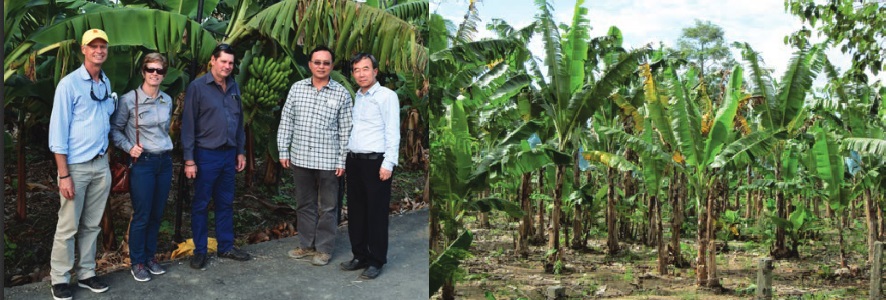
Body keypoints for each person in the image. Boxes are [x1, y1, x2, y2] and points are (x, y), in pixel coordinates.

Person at [47, 28, 114, 300]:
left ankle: (87, 273)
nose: (99, 50)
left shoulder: (105, 82)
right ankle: (60, 278)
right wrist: (64, 175)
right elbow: (58, 134)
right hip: (76, 167)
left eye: (103, 46)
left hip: (101, 165)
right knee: (68, 226)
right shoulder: (69, 84)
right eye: (93, 46)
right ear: (83, 50)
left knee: (92, 225)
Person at [277, 45, 353, 266]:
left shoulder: (340, 93)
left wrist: (342, 160)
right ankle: (306, 245)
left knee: (328, 206)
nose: (321, 66)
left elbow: (346, 129)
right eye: (317, 62)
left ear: (332, 66)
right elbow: (287, 120)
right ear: (310, 64)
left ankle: (324, 249)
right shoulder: (297, 88)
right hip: (300, 157)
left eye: (326, 63)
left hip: (329, 160)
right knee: (304, 203)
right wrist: (284, 149)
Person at [181, 43, 251, 270]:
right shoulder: (198, 87)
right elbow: (188, 125)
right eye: (223, 61)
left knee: (225, 202)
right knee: (201, 204)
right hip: (205, 155)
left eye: (231, 63)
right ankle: (200, 251)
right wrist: (189, 160)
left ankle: (226, 246)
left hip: (228, 155)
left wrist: (240, 151)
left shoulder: (234, 87)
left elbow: (239, 122)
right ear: (213, 60)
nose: (227, 66)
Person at [110, 53, 173, 282]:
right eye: (150, 69)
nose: (155, 74)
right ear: (143, 72)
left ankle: (150, 257)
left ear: (164, 74)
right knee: (142, 214)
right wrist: (129, 147)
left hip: (164, 162)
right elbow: (114, 129)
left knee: (157, 214)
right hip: (142, 163)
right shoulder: (129, 100)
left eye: (159, 70)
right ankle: (137, 261)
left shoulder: (167, 99)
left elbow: (165, 131)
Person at [339, 53, 400, 280]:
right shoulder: (359, 96)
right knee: (356, 211)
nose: (361, 74)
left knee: (375, 213)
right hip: (354, 161)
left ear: (375, 71)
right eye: (356, 70)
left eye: (365, 69)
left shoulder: (387, 96)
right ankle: (359, 255)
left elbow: (393, 131)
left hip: (376, 163)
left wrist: (388, 163)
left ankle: (376, 260)